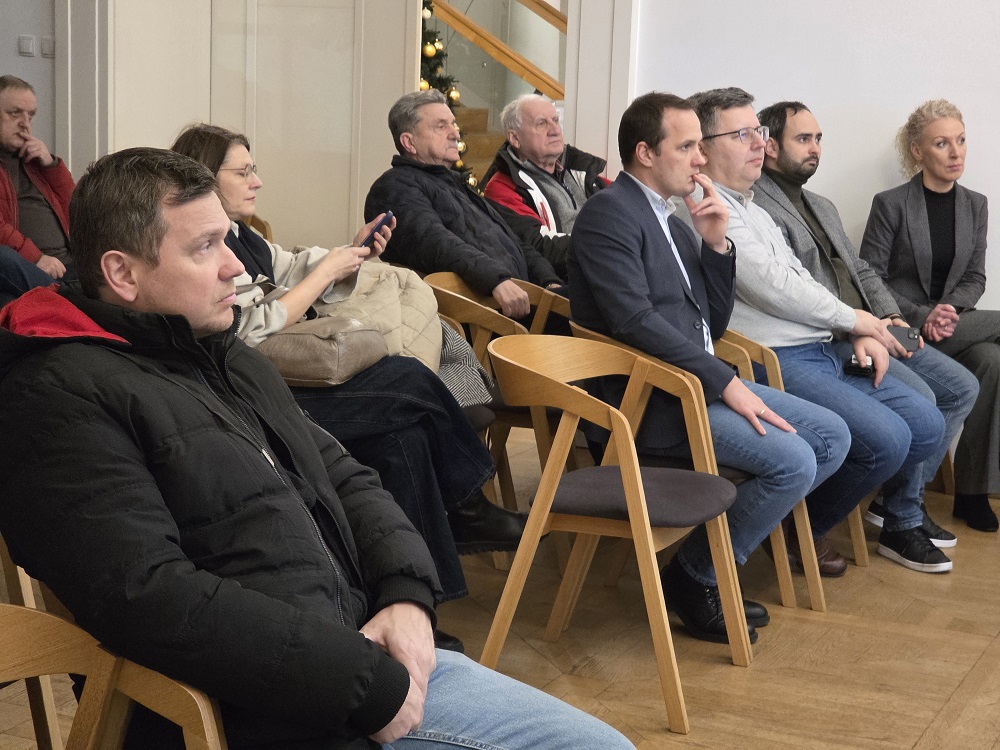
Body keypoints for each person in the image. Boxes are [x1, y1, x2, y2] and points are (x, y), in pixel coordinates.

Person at [0, 146, 635, 750]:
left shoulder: (220, 355)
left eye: (227, 240)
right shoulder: (57, 396)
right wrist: (366, 684)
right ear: (122, 273)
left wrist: (406, 594)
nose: (236, 267)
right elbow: (149, 598)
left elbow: (346, 478)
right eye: (205, 247)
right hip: (273, 712)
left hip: (357, 658)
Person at [170, 124, 527, 619]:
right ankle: (465, 505)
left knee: (402, 437)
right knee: (408, 377)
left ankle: (421, 603)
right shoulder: (210, 249)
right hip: (260, 395)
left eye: (254, 169)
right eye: (244, 172)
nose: (257, 181)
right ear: (206, 178)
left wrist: (353, 252)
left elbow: (293, 266)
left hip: (283, 378)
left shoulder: (241, 235)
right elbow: (247, 327)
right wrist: (324, 273)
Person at [569, 91, 850, 645]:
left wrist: (717, 245)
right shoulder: (609, 213)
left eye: (701, 145)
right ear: (646, 152)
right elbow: (633, 321)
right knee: (795, 460)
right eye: (688, 147)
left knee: (833, 437)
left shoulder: (676, 224)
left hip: (696, 385)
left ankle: (696, 567)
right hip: (649, 402)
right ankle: (698, 576)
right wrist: (724, 382)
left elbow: (711, 324)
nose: (700, 159)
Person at [686, 87, 950, 574]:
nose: (759, 143)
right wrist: (857, 321)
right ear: (703, 146)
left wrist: (856, 327)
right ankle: (798, 529)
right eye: (743, 134)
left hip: (825, 345)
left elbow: (806, 280)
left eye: (758, 132)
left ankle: (796, 520)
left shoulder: (752, 206)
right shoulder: (707, 207)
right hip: (776, 357)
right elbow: (775, 287)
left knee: (928, 425)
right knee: (888, 439)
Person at [754, 100, 978, 545]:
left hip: (873, 324)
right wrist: (859, 327)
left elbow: (862, 270)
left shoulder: (821, 204)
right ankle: (902, 517)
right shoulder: (758, 203)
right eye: (804, 139)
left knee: (962, 386)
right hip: (836, 335)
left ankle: (897, 505)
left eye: (819, 138)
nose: (815, 148)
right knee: (925, 398)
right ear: (770, 146)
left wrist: (889, 316)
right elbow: (797, 294)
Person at [860, 100, 999, 532]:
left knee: (993, 361)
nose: (956, 152)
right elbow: (870, 278)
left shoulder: (975, 205)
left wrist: (948, 312)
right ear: (918, 151)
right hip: (901, 330)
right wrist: (924, 316)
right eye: (942, 143)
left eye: (961, 140)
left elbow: (975, 277)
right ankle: (901, 498)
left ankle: (971, 492)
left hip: (950, 328)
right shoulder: (891, 204)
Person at [365, 90, 562, 320]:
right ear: (409, 142)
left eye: (453, 124)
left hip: (524, 299)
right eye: (441, 126)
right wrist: (495, 280)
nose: (455, 134)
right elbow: (436, 242)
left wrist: (549, 281)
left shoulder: (456, 184)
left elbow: (515, 242)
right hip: (488, 317)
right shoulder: (394, 187)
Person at [482, 93, 608, 277]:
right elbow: (540, 246)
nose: (555, 130)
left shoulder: (579, 170)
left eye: (555, 120)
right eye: (541, 123)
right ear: (515, 138)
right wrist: (606, 246)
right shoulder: (502, 187)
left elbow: (628, 202)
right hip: (570, 278)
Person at [0, 75, 74, 287]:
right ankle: (66, 296)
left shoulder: (36, 161)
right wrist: (36, 258)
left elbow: (78, 209)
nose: (25, 124)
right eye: (15, 113)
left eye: (30, 116)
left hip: (70, 265)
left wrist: (51, 165)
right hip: (28, 267)